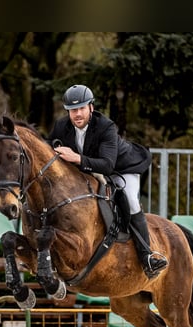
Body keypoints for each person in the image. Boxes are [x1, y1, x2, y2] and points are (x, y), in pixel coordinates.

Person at [48, 84, 168, 279]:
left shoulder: (105, 126)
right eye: (72, 110)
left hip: (120, 168)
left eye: (81, 109)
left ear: (91, 108)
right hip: (89, 169)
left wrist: (76, 158)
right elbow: (49, 146)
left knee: (130, 199)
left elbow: (107, 165)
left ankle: (147, 256)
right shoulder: (62, 126)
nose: (77, 114)